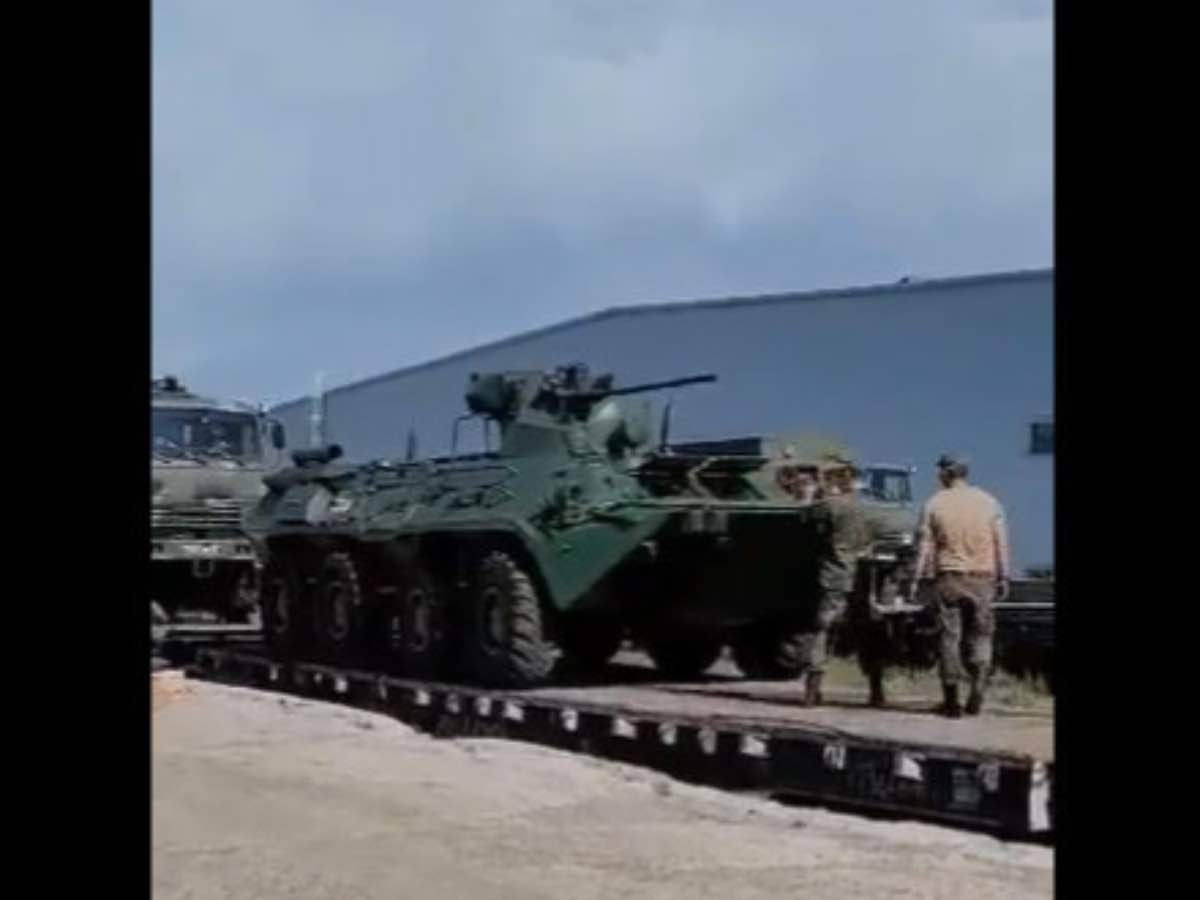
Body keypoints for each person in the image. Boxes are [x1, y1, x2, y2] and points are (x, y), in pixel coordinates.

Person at [910, 454, 1011, 718]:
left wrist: (916, 578)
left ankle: (952, 701)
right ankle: (978, 687)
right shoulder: (990, 502)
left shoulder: (934, 504)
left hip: (949, 578)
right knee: (981, 635)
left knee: (948, 637)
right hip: (982, 578)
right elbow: (1001, 542)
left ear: (945, 474)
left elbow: (924, 546)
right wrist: (1004, 576)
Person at [798, 454, 874, 706]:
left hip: (835, 575)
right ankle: (876, 687)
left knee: (823, 629)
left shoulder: (830, 506)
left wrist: (810, 494)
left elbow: (805, 518)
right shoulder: (864, 507)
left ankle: (812, 690)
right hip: (862, 576)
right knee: (867, 632)